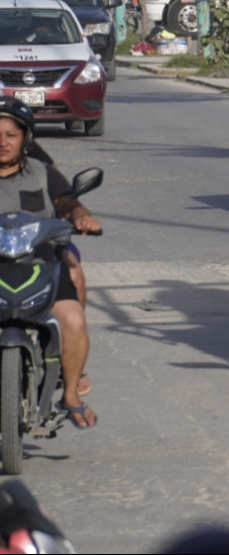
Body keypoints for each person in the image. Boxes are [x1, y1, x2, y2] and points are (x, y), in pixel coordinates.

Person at [0, 98, 99, 428]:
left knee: (72, 320)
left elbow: (68, 203)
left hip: (39, 266)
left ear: (25, 138)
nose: (2, 142)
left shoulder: (42, 173)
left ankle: (70, 395)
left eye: (11, 134)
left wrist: (82, 217)